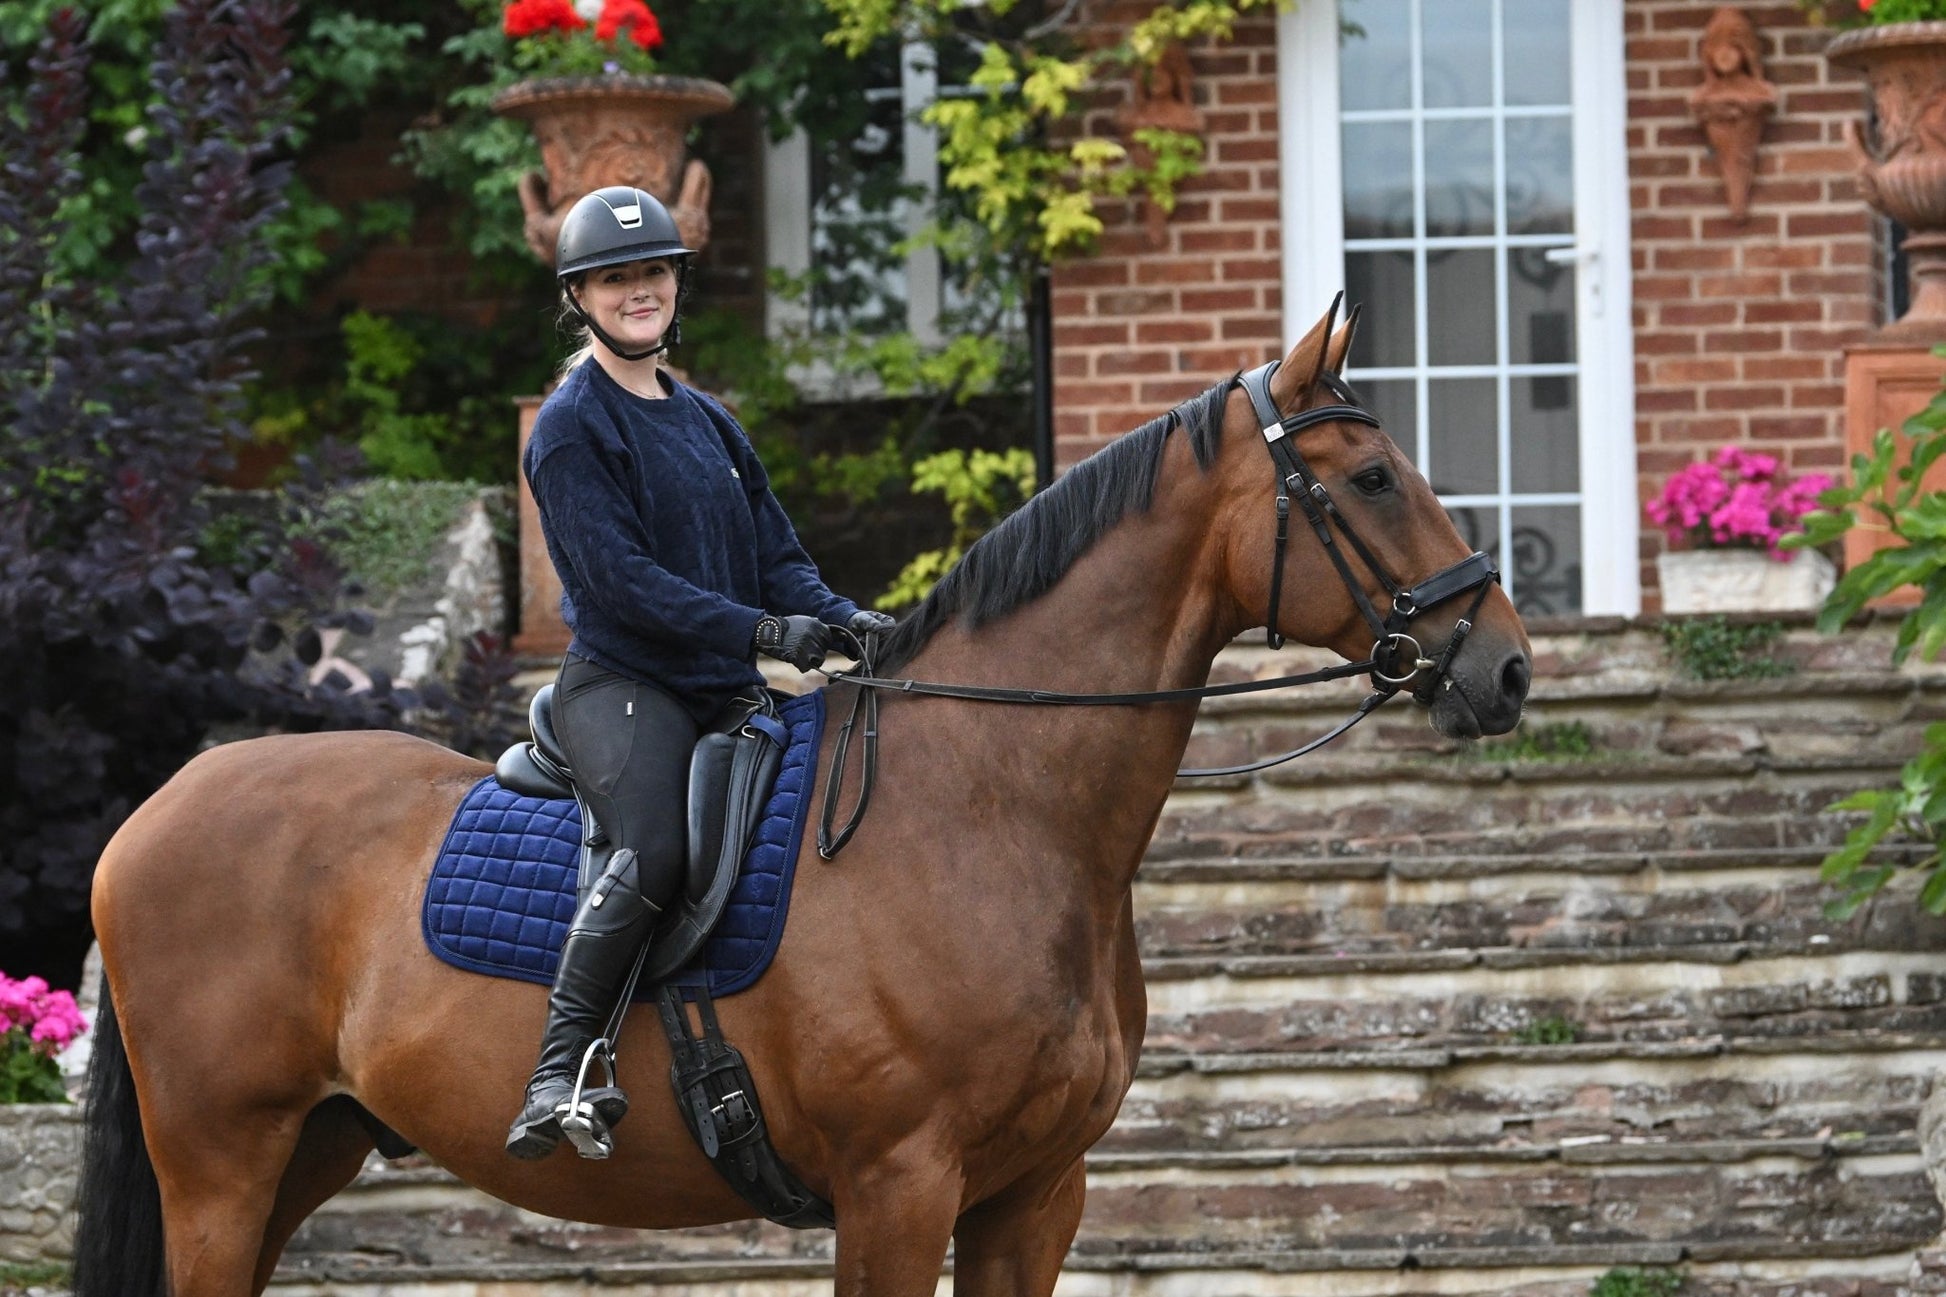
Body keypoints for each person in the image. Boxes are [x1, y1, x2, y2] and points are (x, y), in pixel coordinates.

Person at [505, 185, 895, 1161]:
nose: (639, 292)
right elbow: (625, 587)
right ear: (580, 296)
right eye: (616, 279)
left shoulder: (709, 422)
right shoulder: (567, 427)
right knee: (655, 851)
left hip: (726, 682)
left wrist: (847, 619)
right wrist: (765, 631)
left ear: (675, 283)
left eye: (652, 273)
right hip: (627, 684)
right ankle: (557, 1072)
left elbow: (780, 557)